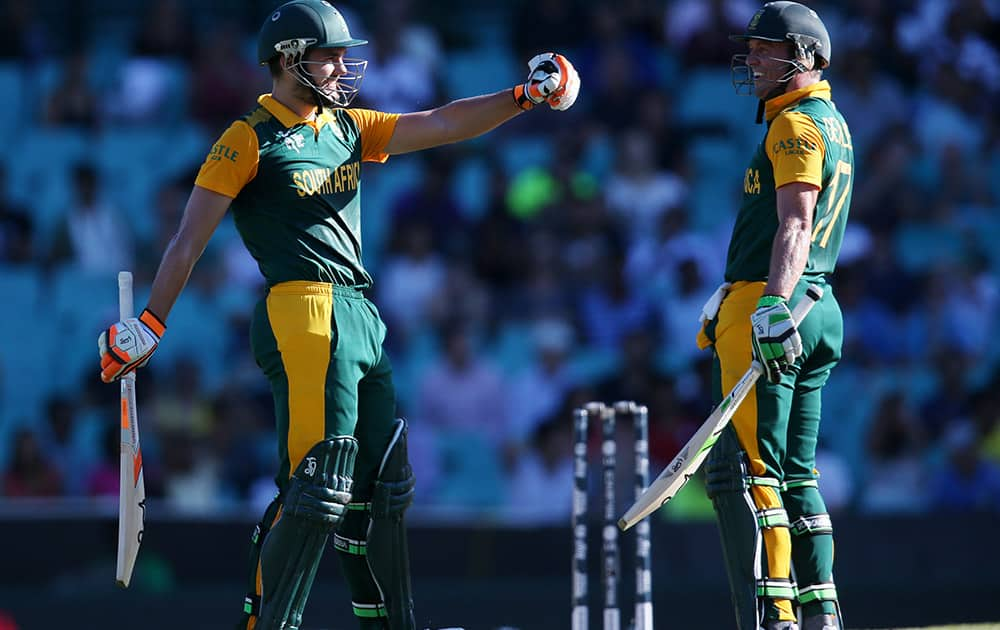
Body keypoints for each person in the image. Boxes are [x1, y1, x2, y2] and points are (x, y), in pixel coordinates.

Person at [95, 2, 580, 629]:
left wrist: (522, 96)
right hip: (301, 308)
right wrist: (152, 323)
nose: (343, 65)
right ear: (291, 58)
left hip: (359, 311)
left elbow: (438, 123)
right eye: (330, 55)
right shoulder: (247, 137)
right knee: (315, 484)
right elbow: (188, 240)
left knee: (381, 485)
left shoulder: (346, 126)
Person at [695, 3, 852, 630]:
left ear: (806, 58)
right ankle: (823, 607)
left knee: (756, 471)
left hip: (777, 304)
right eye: (753, 48)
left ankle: (776, 613)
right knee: (799, 471)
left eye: (768, 49)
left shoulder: (793, 125)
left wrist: (765, 303)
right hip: (821, 307)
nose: (754, 59)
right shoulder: (833, 120)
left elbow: (796, 222)